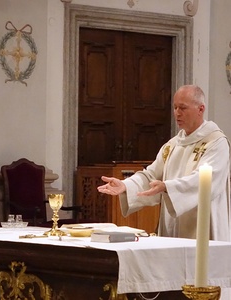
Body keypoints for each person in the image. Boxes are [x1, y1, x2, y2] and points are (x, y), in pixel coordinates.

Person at [97, 85, 230, 241]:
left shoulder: (215, 142)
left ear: (201, 109)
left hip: (204, 227)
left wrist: (168, 187)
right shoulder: (172, 145)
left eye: (183, 108)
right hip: (172, 226)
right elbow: (151, 175)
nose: (177, 113)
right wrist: (126, 185)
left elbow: (207, 180)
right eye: (174, 107)